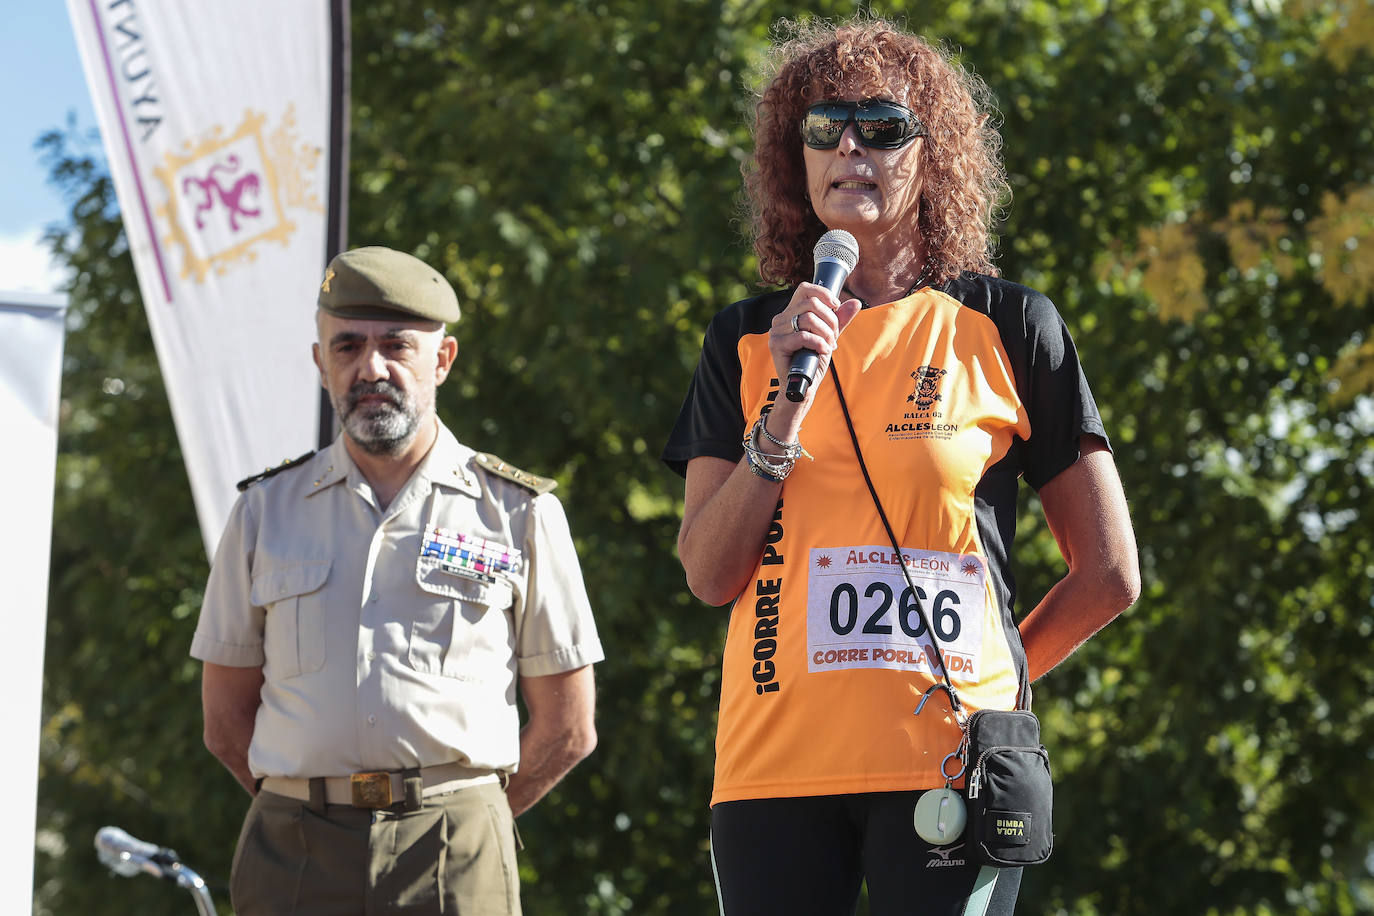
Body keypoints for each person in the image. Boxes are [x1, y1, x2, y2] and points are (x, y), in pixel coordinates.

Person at [662, 18, 1140, 916]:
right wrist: (781, 415)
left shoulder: (1011, 326)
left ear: (935, 153)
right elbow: (708, 573)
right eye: (824, 127)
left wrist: (994, 695)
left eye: (882, 125)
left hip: (949, 769)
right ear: (793, 160)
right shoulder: (745, 340)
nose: (851, 145)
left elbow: (1110, 575)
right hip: (774, 769)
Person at [191, 245, 604, 916]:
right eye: (348, 346)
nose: (371, 369)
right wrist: (309, 800)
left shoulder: (518, 512)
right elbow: (224, 719)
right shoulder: (264, 512)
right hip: (292, 850)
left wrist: (475, 814)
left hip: (453, 846)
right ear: (320, 361)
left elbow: (568, 726)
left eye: (397, 347)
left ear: (441, 360)